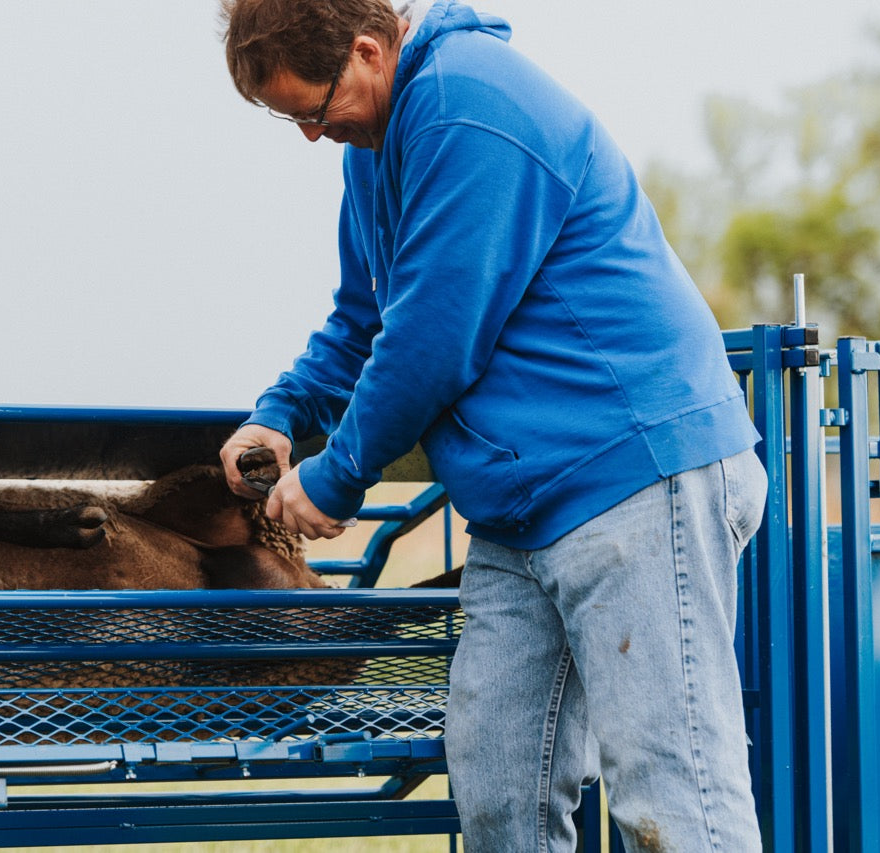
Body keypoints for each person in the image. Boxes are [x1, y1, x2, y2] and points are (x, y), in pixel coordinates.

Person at [216, 1, 768, 850]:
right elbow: (364, 318)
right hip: (521, 511)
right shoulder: (376, 149)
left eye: (315, 111)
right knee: (501, 787)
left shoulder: (469, 105)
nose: (311, 137)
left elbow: (434, 333)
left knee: (673, 793)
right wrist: (282, 417)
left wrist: (336, 477)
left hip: (632, 472)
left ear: (367, 50)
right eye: (292, 120)